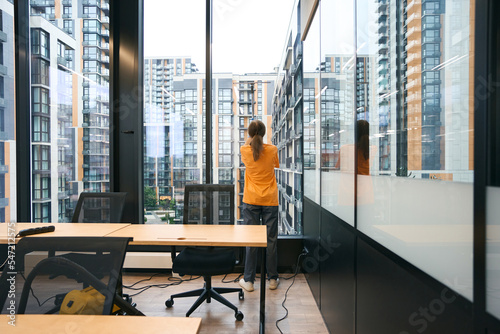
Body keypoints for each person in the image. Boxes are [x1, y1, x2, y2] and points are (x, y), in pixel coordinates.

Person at [239, 120, 280, 291]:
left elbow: (250, 144)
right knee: (271, 240)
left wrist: (251, 138)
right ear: (263, 133)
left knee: (252, 241)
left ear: (249, 134)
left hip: (251, 200)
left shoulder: (244, 150)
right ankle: (272, 279)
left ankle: (248, 281)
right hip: (270, 199)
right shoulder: (272, 150)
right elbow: (275, 165)